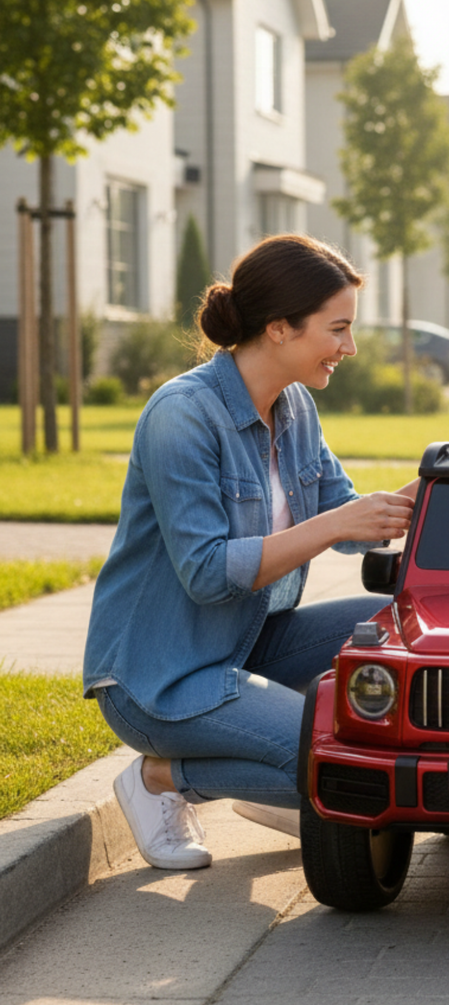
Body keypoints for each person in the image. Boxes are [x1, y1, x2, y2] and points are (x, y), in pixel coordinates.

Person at [84, 235, 415, 870]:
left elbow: (349, 522)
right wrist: (335, 523)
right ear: (280, 327)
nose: (349, 347)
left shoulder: (295, 407)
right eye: (338, 328)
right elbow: (208, 574)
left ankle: (287, 788)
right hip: (160, 677)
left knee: (391, 625)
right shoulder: (182, 415)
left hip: (245, 641)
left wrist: (440, 474)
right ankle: (159, 779)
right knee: (339, 758)